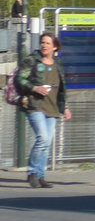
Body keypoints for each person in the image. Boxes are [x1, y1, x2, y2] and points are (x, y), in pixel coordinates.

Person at [16, 32, 72, 188]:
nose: (44, 45)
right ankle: (32, 172)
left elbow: (62, 88)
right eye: (42, 42)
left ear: (55, 46)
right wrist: (34, 87)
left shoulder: (58, 63)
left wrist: (65, 107)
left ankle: (40, 175)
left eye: (48, 43)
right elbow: (19, 79)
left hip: (52, 107)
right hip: (34, 105)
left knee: (47, 142)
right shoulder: (31, 60)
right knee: (42, 138)